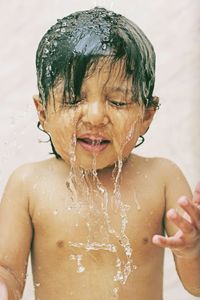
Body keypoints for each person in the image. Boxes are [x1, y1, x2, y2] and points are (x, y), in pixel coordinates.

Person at [0, 7, 199, 300]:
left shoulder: (162, 179)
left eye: (117, 101)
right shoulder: (28, 185)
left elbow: (196, 286)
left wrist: (193, 250)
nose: (95, 116)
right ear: (43, 111)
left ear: (147, 115)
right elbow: (9, 274)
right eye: (72, 98)